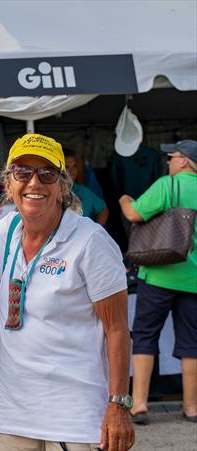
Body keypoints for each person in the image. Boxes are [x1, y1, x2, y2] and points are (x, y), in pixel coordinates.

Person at [0, 134, 135, 451]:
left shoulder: (91, 241)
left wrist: (118, 405)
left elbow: (117, 329)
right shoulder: (8, 230)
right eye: (23, 172)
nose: (35, 182)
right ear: (9, 184)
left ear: (62, 185)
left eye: (47, 174)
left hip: (72, 414)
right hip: (12, 411)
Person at [119, 139, 197, 425]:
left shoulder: (168, 185)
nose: (168, 162)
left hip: (160, 274)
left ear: (185, 161)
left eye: (172, 157)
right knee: (192, 343)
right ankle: (191, 408)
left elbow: (133, 214)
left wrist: (124, 199)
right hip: (194, 280)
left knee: (145, 335)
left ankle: (139, 405)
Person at [65, 149, 108, 225]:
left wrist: (96, 229)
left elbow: (103, 210)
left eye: (74, 166)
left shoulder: (84, 191)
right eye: (67, 167)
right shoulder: (51, 192)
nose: (72, 170)